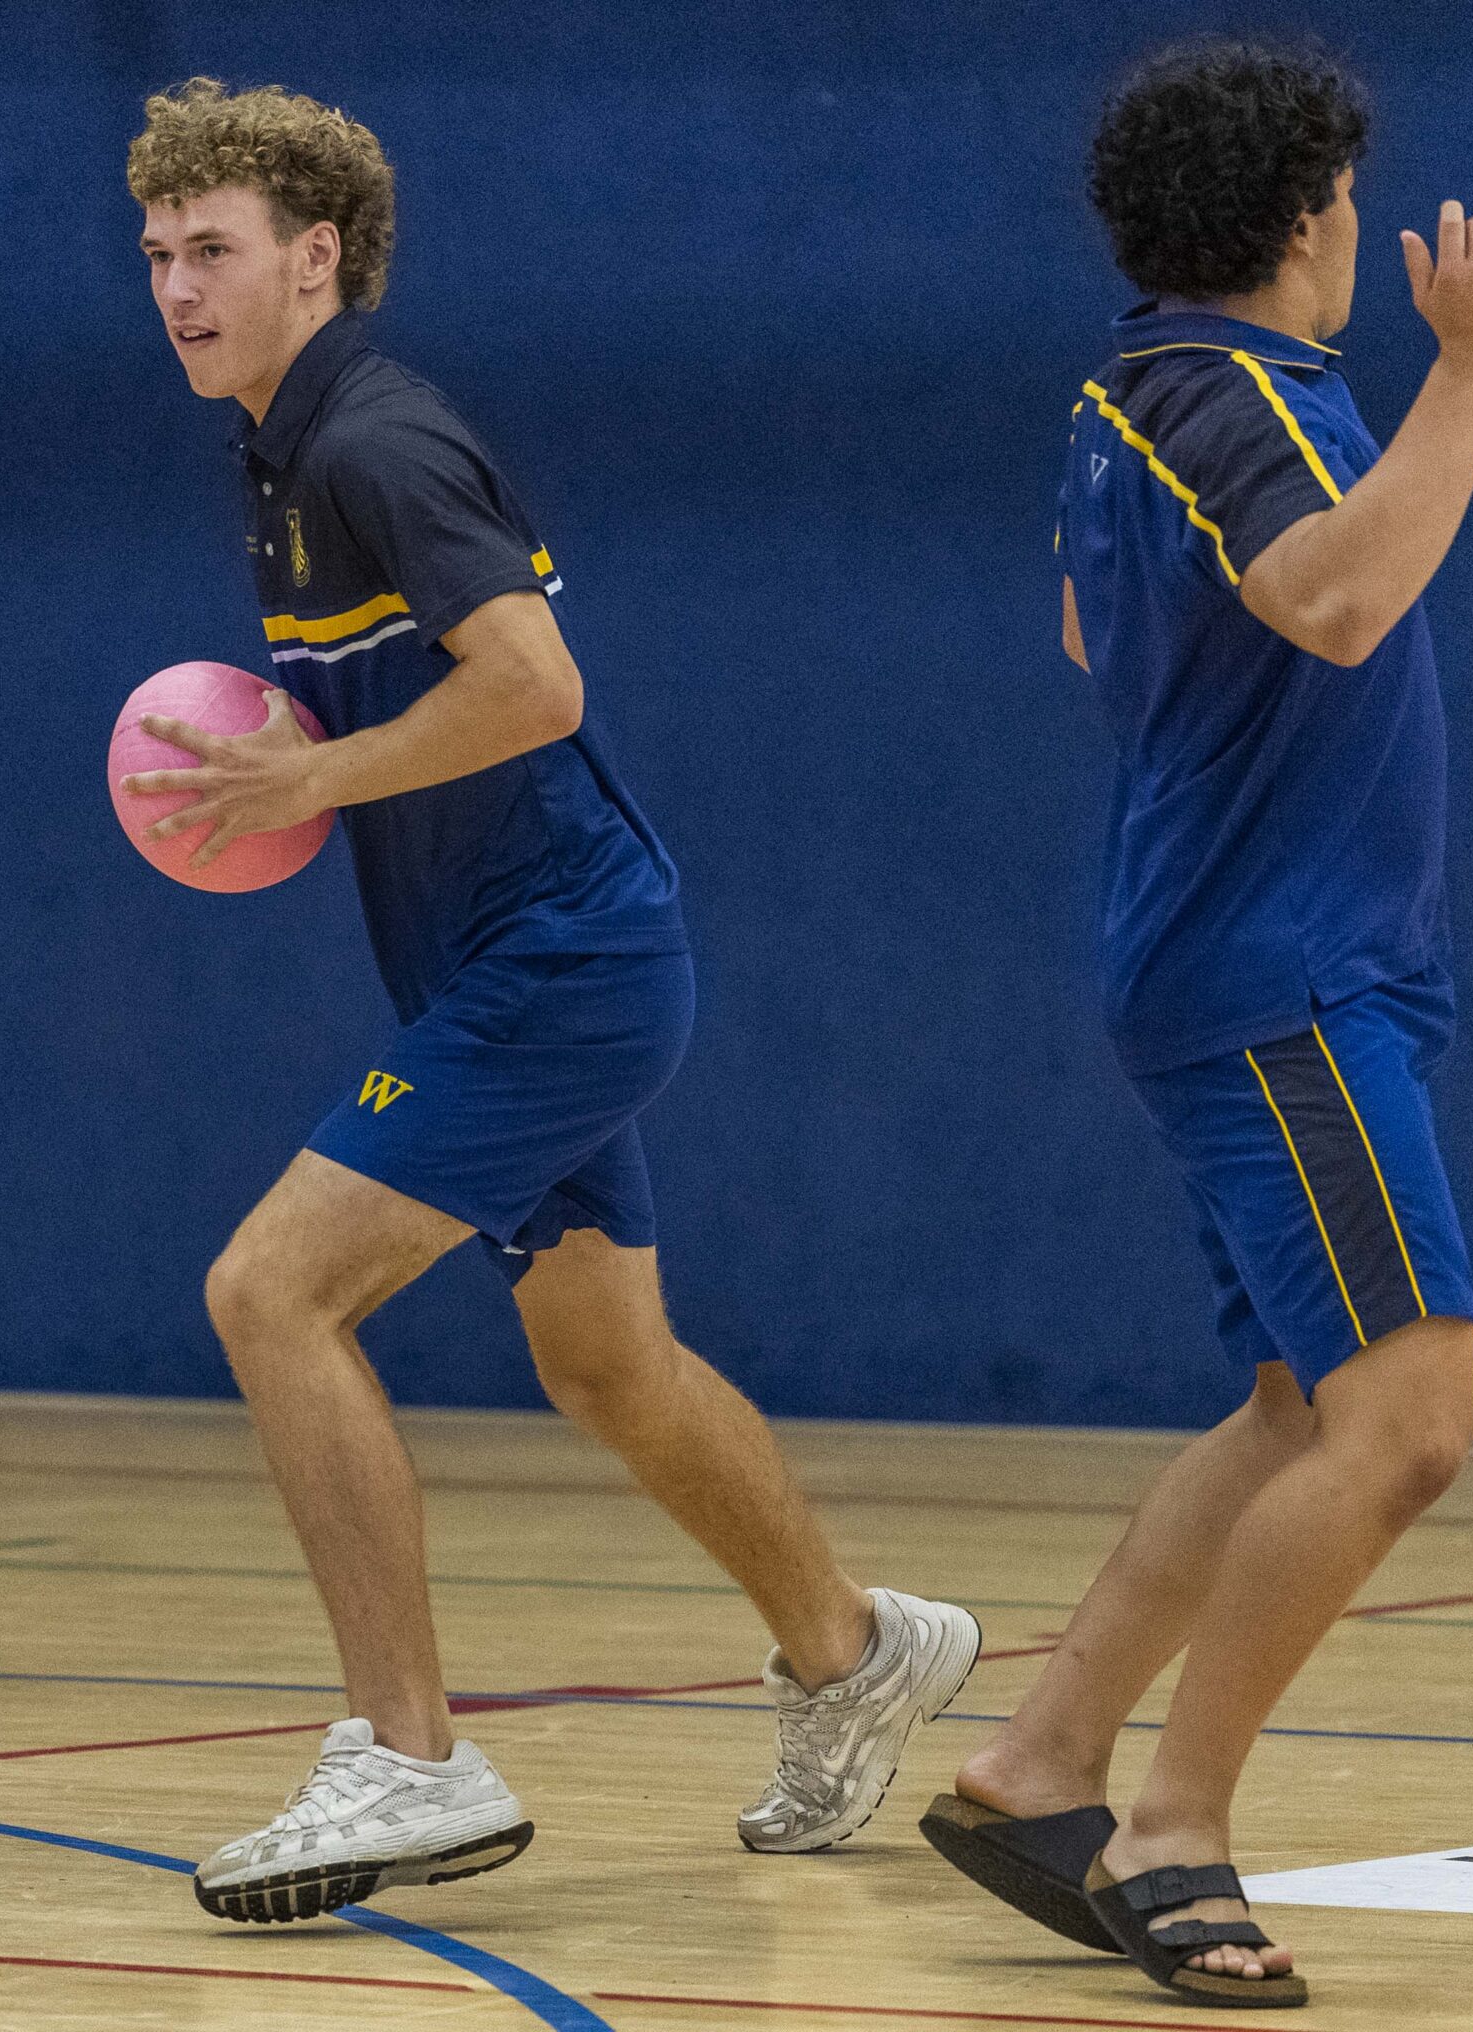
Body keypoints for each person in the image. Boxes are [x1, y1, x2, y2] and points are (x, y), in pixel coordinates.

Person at [121, 79, 981, 1926]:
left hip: (562, 963)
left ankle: (408, 1759)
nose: (179, 288)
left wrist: (306, 786)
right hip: (526, 958)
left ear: (316, 257)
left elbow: (538, 686)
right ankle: (851, 1651)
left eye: (216, 252)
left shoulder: (375, 441)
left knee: (268, 1292)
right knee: (604, 1363)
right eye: (160, 256)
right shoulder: (281, 450)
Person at [917, 39, 1473, 2009]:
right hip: (1280, 977)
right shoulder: (1236, 387)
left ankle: (1041, 1762)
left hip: (1257, 954)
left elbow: (1105, 633)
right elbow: (1336, 603)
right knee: (1411, 1419)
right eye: (1350, 198)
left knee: (1296, 1400)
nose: (1364, 226)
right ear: (1302, 219)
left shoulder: (1139, 391)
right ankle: (1174, 1823)